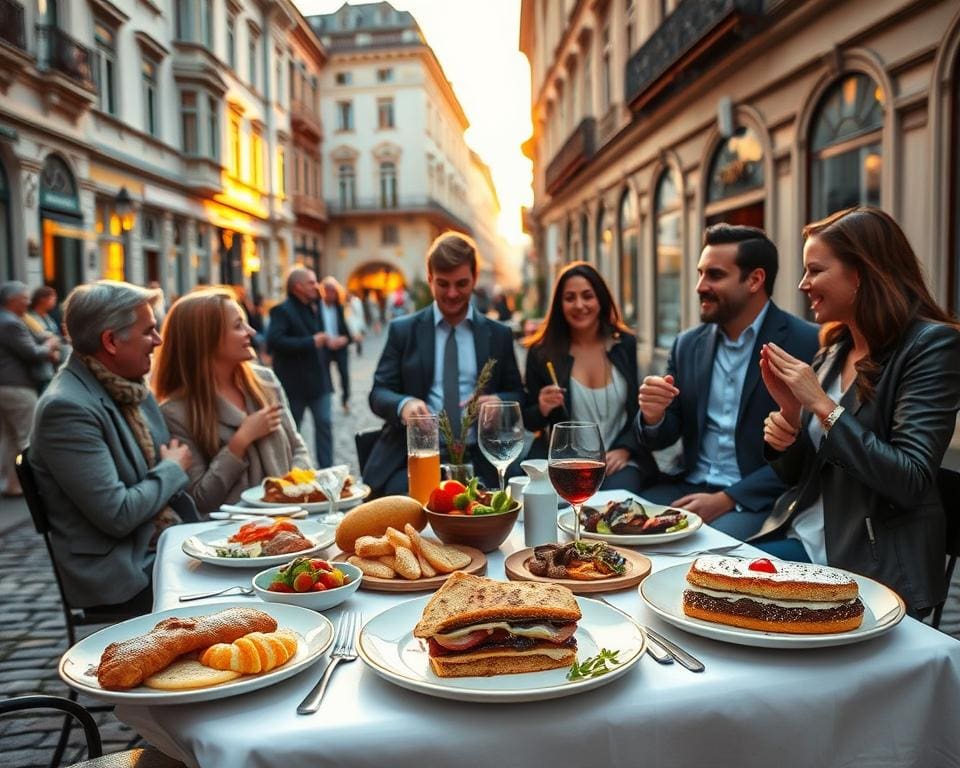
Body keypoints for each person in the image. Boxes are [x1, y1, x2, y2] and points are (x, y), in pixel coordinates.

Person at [752, 206, 960, 616]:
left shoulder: (932, 346)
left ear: (861, 273)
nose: (802, 283)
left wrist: (823, 407)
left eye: (815, 270)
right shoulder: (835, 348)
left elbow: (911, 478)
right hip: (802, 540)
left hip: (871, 567)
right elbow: (806, 477)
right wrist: (790, 427)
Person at [636, 224, 820, 538]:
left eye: (715, 275)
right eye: (700, 273)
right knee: (614, 531)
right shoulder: (686, 344)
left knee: (700, 556)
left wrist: (728, 498)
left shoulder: (808, 343)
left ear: (755, 280)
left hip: (757, 501)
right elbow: (662, 437)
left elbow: (810, 453)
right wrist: (653, 416)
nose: (700, 286)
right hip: (687, 487)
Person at [29, 281, 196, 612]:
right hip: (123, 570)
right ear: (110, 341)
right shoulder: (66, 408)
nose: (158, 341)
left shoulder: (130, 386)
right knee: (242, 590)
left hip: (157, 544)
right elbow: (117, 514)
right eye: (148, 331)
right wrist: (173, 469)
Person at [367, 232, 523, 494]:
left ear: (474, 278)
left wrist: (500, 400)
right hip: (416, 458)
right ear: (430, 280)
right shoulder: (403, 331)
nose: (452, 293)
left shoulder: (498, 334)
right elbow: (378, 393)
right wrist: (404, 405)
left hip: (482, 458)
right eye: (443, 284)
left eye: (461, 284)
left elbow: (519, 393)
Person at [153, 289, 312, 515]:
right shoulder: (176, 412)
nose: (252, 332)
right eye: (238, 326)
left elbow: (297, 447)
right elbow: (201, 499)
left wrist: (290, 489)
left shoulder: (265, 382)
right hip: (234, 538)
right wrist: (240, 441)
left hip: (293, 518)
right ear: (206, 339)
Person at [522, 262, 657, 492]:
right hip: (565, 464)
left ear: (600, 299)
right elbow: (529, 420)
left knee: (616, 503)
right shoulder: (541, 352)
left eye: (587, 296)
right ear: (559, 305)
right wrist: (542, 407)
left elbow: (636, 410)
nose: (579, 305)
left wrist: (626, 449)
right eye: (569, 298)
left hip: (617, 460)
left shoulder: (624, 344)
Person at [266, 268, 335, 467]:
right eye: (312, 283)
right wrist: (311, 341)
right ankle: (289, 471)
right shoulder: (282, 310)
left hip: (320, 383)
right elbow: (275, 342)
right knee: (291, 431)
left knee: (325, 427)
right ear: (298, 286)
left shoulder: (315, 307)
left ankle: (328, 470)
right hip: (295, 385)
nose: (316, 286)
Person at [0, 282, 60, 495]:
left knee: (9, 437)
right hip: (17, 386)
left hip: (6, 386)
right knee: (27, 436)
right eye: (24, 298)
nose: (28, 302)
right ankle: (28, 482)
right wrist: (50, 347)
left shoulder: (11, 320)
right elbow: (32, 352)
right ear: (13, 300)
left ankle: (12, 483)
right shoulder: (10, 323)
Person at [320, 276, 352, 413]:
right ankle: (327, 400)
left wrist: (343, 339)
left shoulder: (339, 308)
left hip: (339, 347)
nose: (330, 294)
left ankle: (345, 400)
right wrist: (327, 340)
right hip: (324, 347)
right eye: (327, 290)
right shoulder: (317, 309)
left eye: (333, 291)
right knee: (324, 375)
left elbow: (347, 332)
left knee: (344, 374)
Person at [346, 290, 367, 355]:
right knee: (356, 336)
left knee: (357, 336)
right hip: (353, 321)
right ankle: (358, 348)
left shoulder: (355, 301)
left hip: (356, 321)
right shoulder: (350, 302)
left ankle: (359, 348)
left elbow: (358, 311)